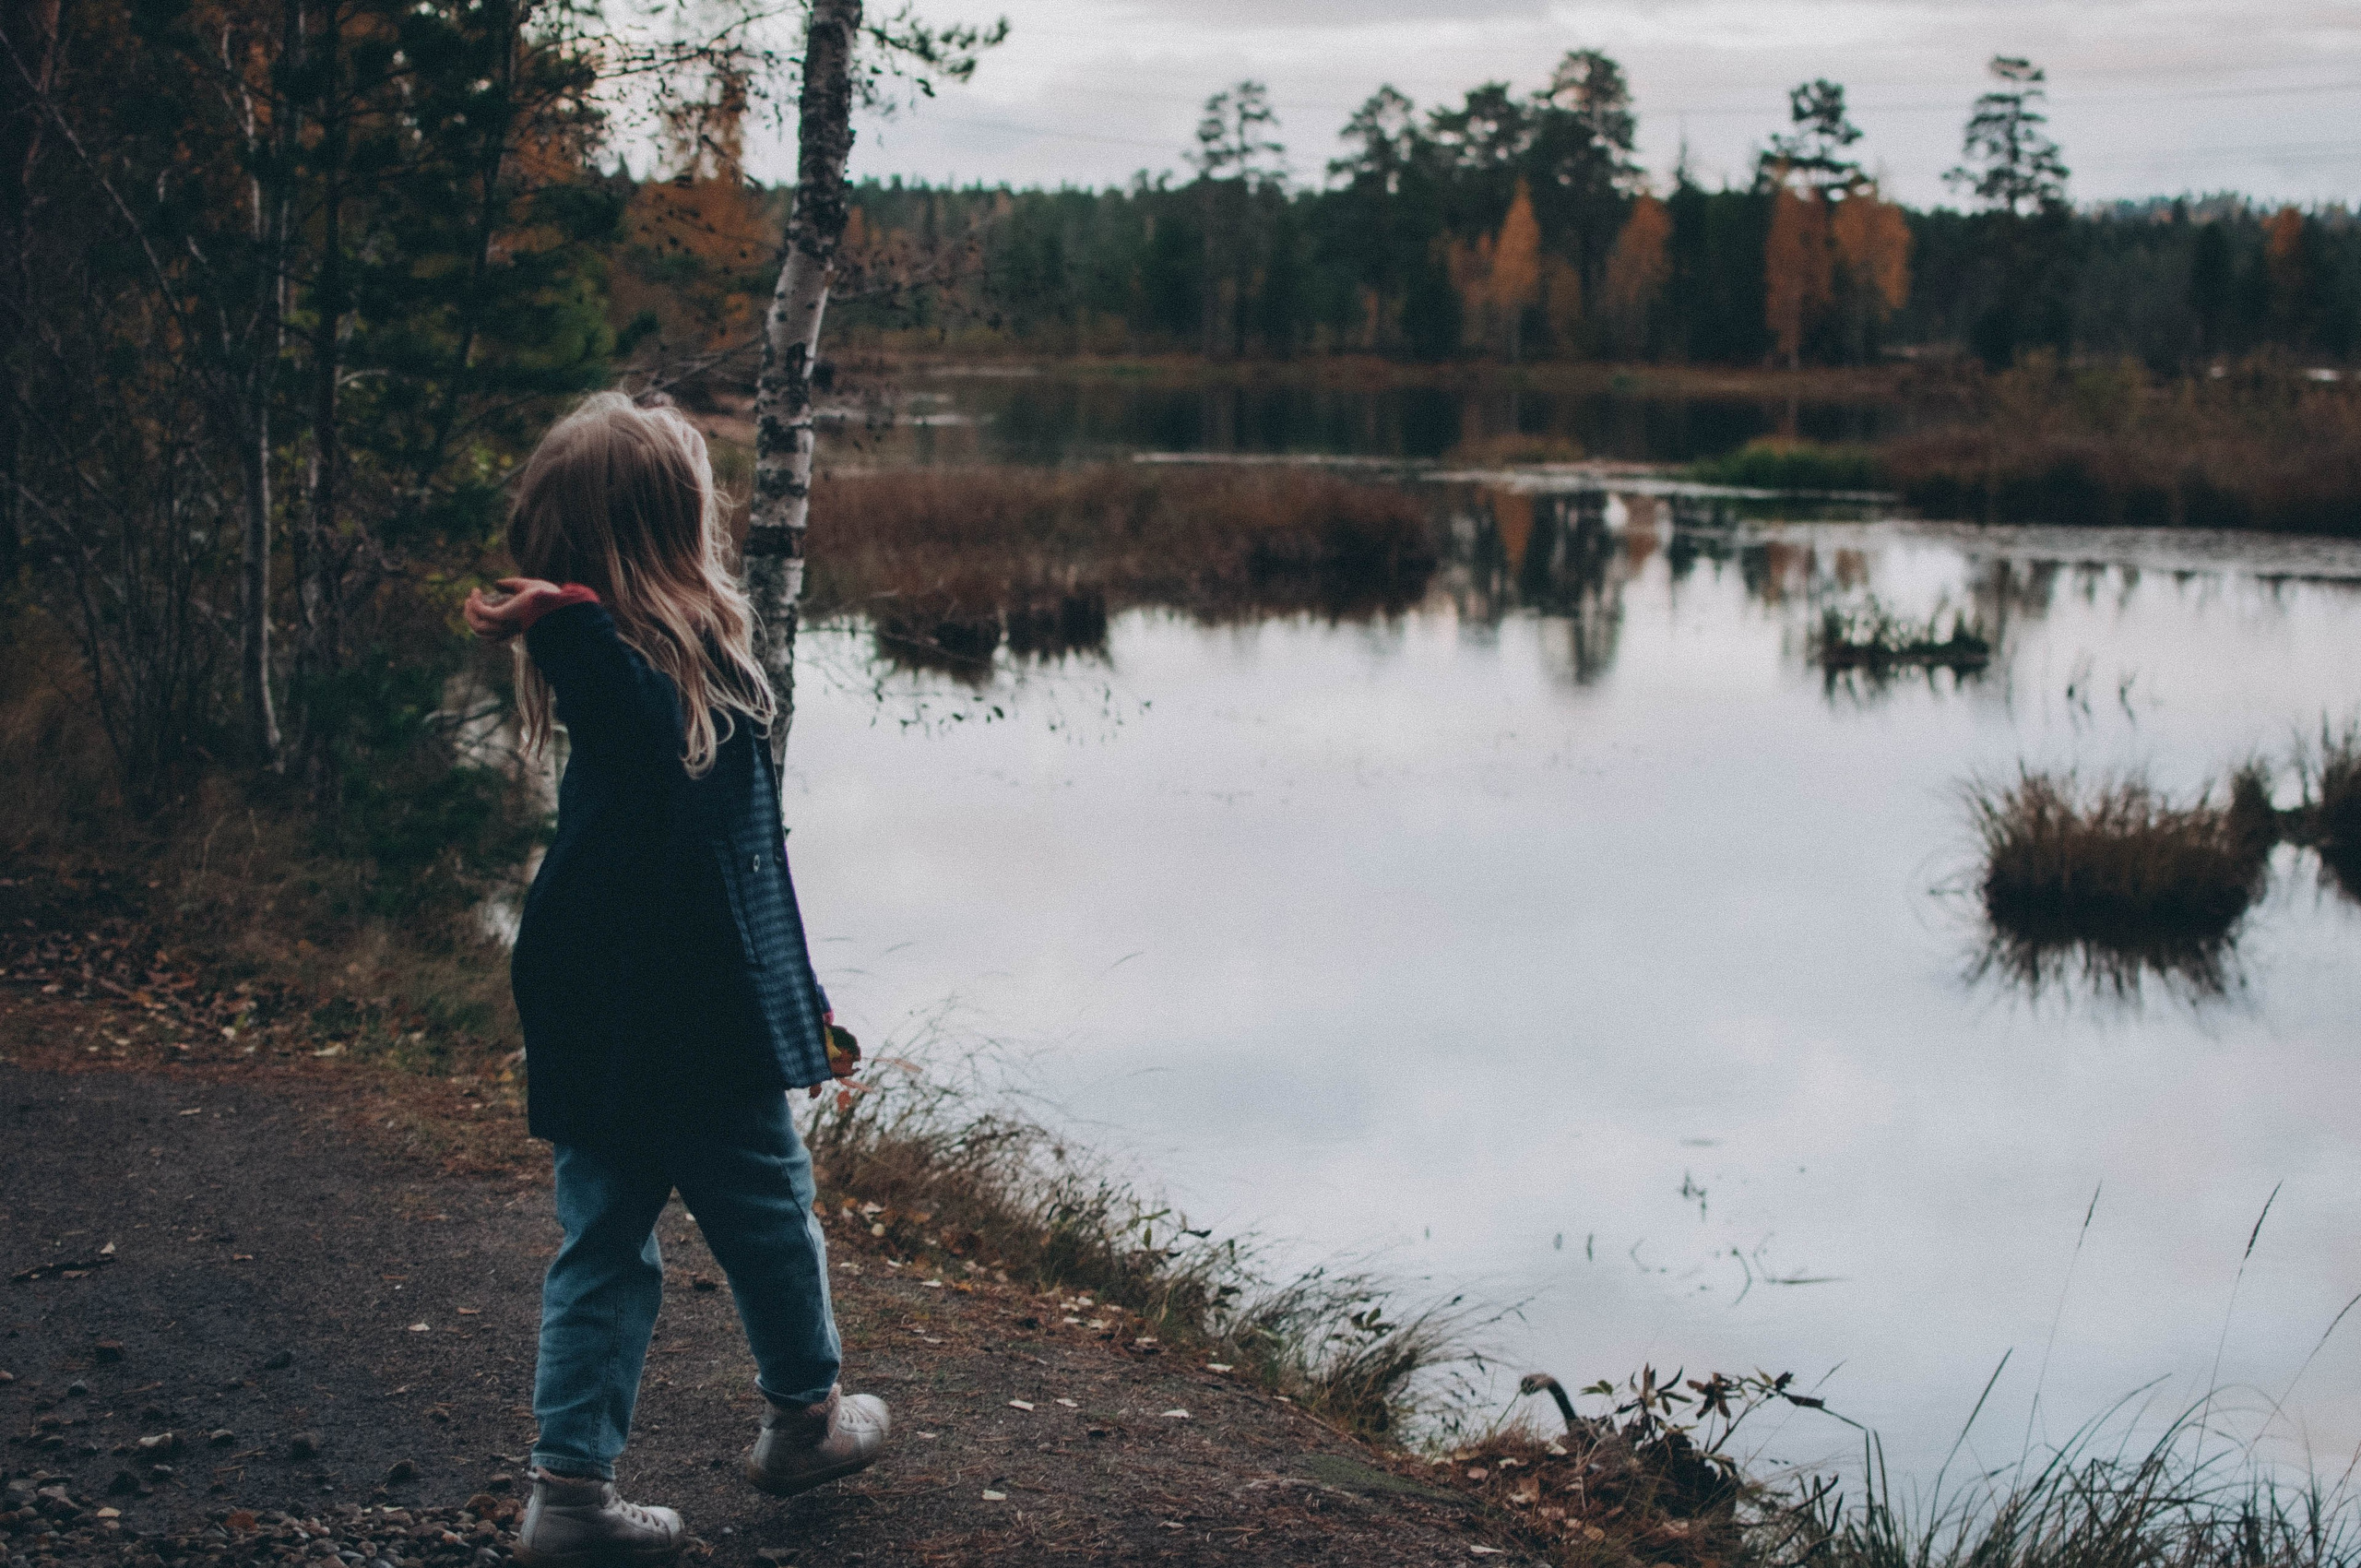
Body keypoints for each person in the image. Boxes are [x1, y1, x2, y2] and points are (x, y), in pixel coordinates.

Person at [465, 391, 888, 1568]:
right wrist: (568, 622)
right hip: (684, 1018)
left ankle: (571, 1490)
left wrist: (799, 1001)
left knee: (610, 1242)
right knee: (766, 1216)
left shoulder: (679, 670)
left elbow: (743, 864)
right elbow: (644, 731)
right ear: (669, 530)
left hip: (611, 1003)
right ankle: (803, 1419)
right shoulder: (636, 680)